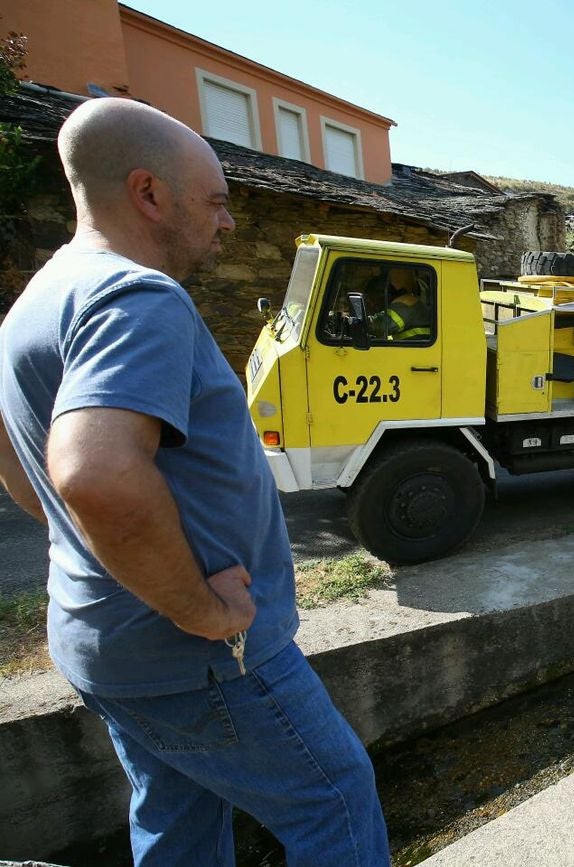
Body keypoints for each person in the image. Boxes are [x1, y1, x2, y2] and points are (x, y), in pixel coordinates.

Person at [0, 98, 387, 865]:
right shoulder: (136, 296)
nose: (230, 222)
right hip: (198, 653)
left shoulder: (35, 303)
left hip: (103, 643)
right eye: (215, 202)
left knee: (178, 812)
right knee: (335, 797)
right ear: (148, 193)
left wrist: (104, 553)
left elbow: (23, 466)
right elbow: (92, 472)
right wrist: (201, 607)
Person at [367, 266, 432, 340]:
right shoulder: (409, 302)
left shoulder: (404, 305)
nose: (372, 304)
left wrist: (357, 321)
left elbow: (378, 327)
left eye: (373, 299)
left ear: (384, 294)